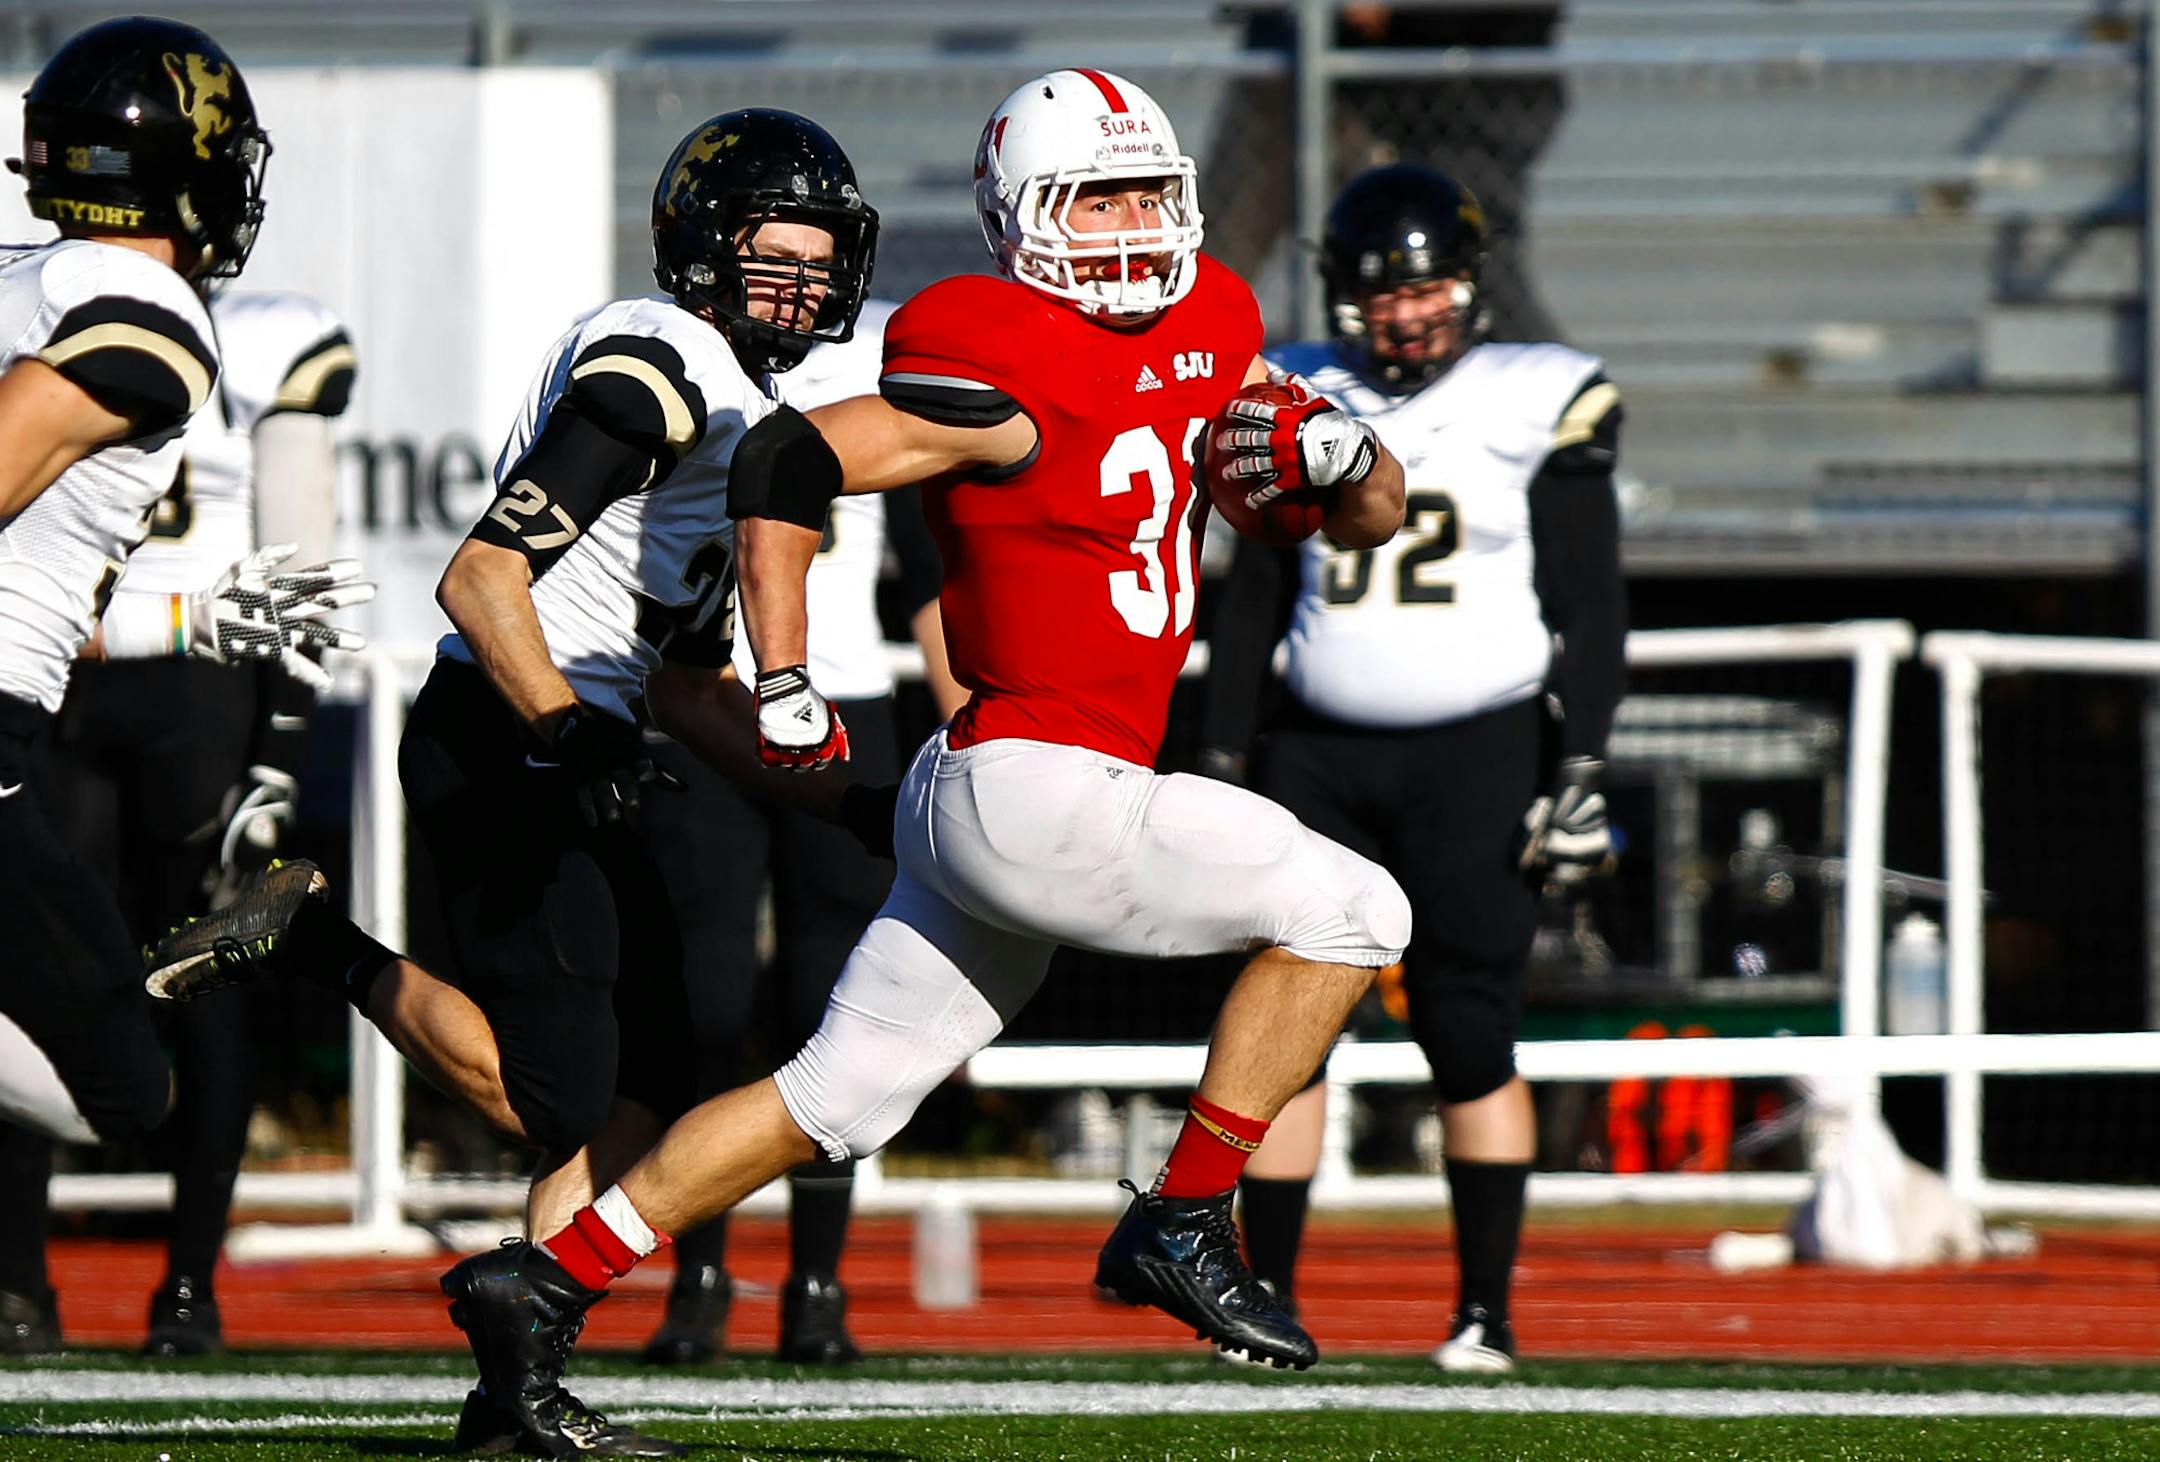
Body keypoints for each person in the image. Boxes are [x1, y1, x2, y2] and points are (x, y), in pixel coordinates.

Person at [259, 68, 1412, 1450]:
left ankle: (542, 1283)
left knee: (831, 1097)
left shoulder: (1216, 316)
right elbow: (788, 471)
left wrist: (1344, 458)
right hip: (1032, 774)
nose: (1125, 226)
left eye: (1145, 194)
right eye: (1092, 196)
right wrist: (795, 677)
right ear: (1021, 216)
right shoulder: (977, 353)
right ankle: (1178, 1213)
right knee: (1358, 910)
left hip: (987, 785)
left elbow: (1346, 517)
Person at [149, 108, 883, 1459]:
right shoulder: (660, 366)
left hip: (584, 739)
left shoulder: (750, 405)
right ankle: (308, 933)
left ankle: (516, 1386)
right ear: (705, 250)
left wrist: (845, 801)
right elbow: (483, 575)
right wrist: (563, 724)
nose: (806, 276)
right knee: (562, 1100)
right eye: (776, 247)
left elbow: (680, 680)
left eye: (823, 251)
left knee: (653, 1092)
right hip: (510, 733)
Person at [1197, 163, 1627, 1373]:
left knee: (1468, 1023)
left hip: (1478, 747)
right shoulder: (1295, 388)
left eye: (1431, 283)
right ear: (1345, 298)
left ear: (1471, 285)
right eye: (1387, 291)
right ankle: (1261, 1295)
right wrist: (1225, 752)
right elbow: (1255, 593)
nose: (1409, 311)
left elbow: (1591, 602)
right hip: (1318, 752)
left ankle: (1484, 1311)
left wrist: (1584, 753)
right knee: (1288, 1027)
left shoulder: (1537, 393)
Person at [0, 17, 365, 1179]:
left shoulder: (24, 277)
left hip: (36, 704)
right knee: (117, 1085)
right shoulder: (144, 310)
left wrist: (187, 622)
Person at [0, 284, 356, 1358]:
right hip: (61, 670)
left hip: (187, 686)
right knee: (36, 977)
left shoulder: (242, 335)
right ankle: (19, 1277)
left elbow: (297, 569)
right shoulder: (47, 306)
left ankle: (188, 1281)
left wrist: (277, 746)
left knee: (203, 984)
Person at [639, 297, 967, 1367]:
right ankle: (694, 1274)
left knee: (837, 1005)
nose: (794, 280)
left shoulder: (877, 354)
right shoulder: (682, 353)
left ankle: (817, 1284)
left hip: (846, 702)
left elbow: (924, 558)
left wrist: (979, 734)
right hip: (704, 701)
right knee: (705, 993)